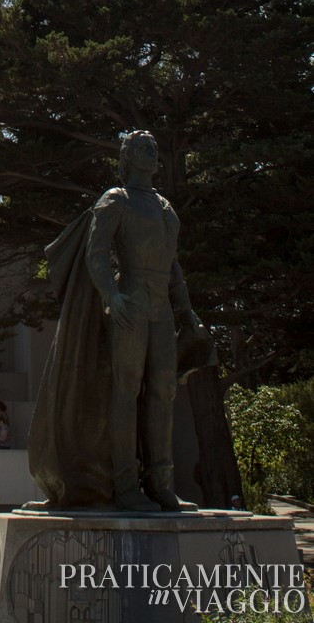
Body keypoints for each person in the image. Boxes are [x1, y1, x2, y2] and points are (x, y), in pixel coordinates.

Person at [27, 129, 211, 512]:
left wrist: (188, 310)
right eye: (143, 147)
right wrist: (112, 296)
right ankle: (126, 486)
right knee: (125, 393)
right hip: (130, 306)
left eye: (155, 146)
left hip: (161, 310)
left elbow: (173, 266)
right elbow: (96, 253)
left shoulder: (164, 207)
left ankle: (161, 484)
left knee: (164, 392)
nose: (152, 151)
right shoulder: (116, 200)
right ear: (128, 158)